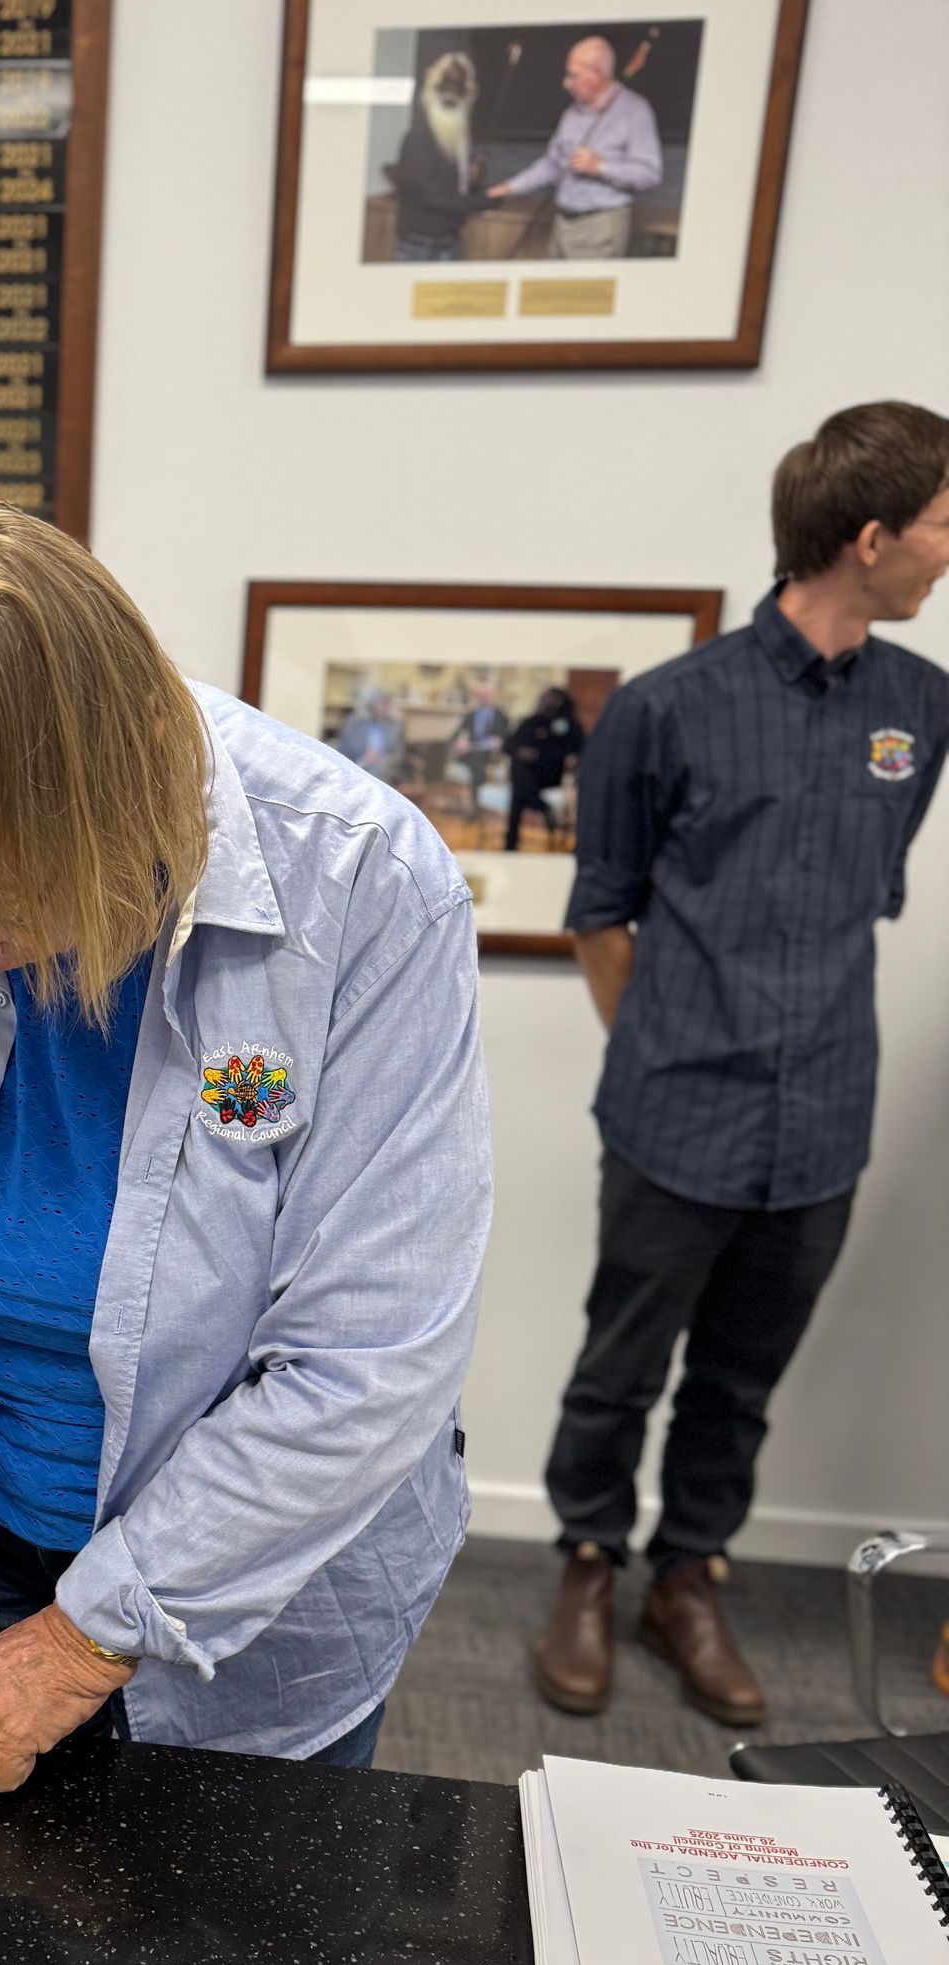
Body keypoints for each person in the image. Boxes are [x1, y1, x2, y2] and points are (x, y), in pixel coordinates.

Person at [0, 497, 492, 1791]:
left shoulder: (362, 891)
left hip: (256, 1594)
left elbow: (367, 1362)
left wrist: (85, 1641)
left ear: (118, 787)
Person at [534, 403, 949, 1726]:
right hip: (676, 1118)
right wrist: (658, 1048)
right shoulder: (668, 709)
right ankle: (589, 1564)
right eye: (944, 526)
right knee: (620, 1365)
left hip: (825, 1120)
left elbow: (865, 893)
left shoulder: (920, 708)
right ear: (873, 539)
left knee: (740, 1381)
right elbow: (601, 912)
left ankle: (686, 1577)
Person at [485, 36, 661, 260]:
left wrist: (601, 167)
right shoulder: (571, 113)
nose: (565, 84)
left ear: (596, 75)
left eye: (573, 75)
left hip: (601, 229)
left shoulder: (635, 110)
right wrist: (506, 189)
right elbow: (551, 165)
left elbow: (650, 175)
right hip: (561, 225)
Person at [385, 48, 486, 262]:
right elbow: (428, 194)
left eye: (457, 85)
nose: (451, 90)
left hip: (451, 242)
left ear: (466, 91)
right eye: (445, 83)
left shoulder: (462, 139)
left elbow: (459, 185)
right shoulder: (419, 135)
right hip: (417, 247)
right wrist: (483, 202)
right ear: (434, 87)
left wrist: (473, 179)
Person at [503, 686, 584, 850]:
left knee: (518, 789)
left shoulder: (568, 725)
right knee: (519, 777)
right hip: (526, 775)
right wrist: (521, 751)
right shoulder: (531, 722)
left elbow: (577, 749)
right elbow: (508, 745)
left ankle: (510, 844)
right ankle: (543, 808)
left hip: (549, 776)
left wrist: (538, 754)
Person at [449, 682, 507, 815]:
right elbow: (454, 736)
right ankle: (477, 806)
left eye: (485, 695)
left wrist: (499, 741)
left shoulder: (500, 714)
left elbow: (507, 735)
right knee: (476, 761)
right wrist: (458, 743)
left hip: (493, 754)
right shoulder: (470, 715)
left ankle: (478, 806)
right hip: (472, 752)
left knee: (478, 763)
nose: (483, 698)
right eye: (480, 695)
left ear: (491, 696)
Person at [335, 686, 404, 778]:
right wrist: (365, 758)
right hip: (358, 762)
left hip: (384, 766)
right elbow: (345, 748)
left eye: (387, 704)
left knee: (378, 767)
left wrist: (381, 758)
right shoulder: (356, 722)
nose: (386, 707)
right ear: (371, 705)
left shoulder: (394, 726)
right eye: (382, 703)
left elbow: (398, 754)